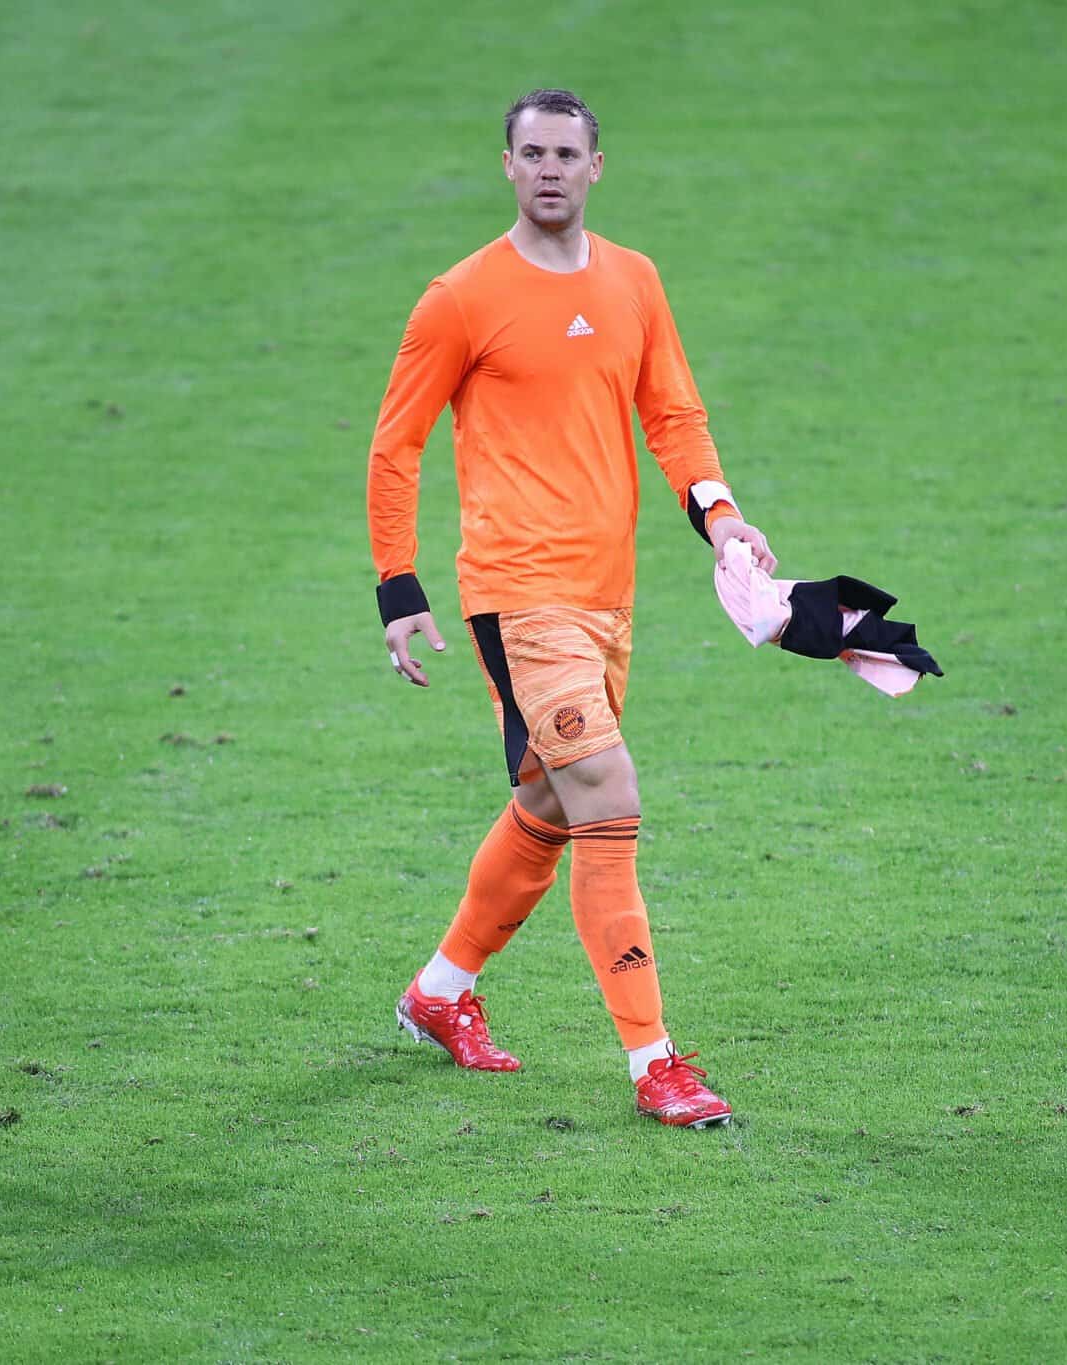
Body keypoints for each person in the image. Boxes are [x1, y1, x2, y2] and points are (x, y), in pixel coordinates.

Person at [367, 90, 777, 1127]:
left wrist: (721, 517)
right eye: (530, 153)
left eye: (566, 153)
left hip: (607, 597)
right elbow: (394, 443)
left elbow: (672, 413)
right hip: (515, 592)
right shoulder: (459, 297)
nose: (548, 168)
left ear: (596, 167)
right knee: (602, 792)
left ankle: (439, 992)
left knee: (550, 805)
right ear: (505, 166)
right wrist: (397, 585)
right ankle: (655, 1063)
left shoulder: (634, 281)